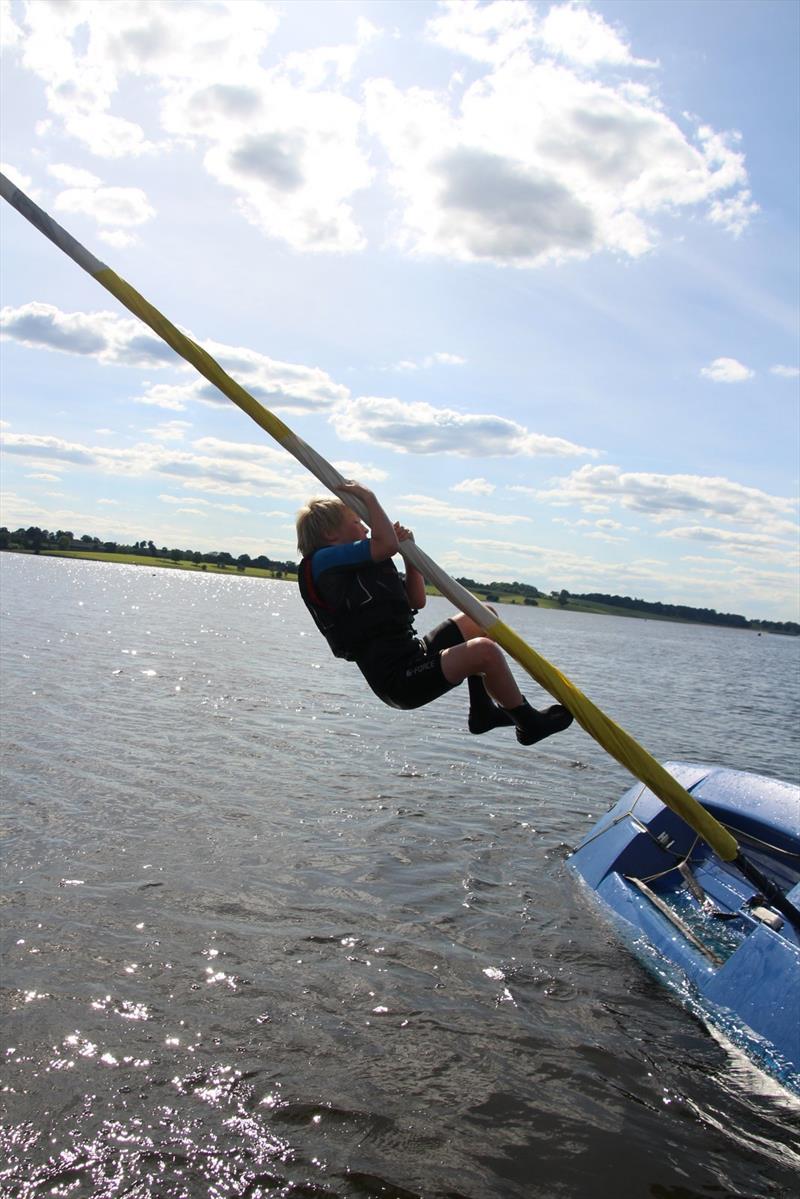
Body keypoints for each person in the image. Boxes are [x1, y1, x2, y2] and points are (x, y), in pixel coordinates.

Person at [295, 481, 573, 746]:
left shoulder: (360, 564)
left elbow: (416, 599)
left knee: (483, 617)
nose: (366, 530)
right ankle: (527, 723)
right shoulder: (322, 561)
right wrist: (369, 497)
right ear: (331, 535)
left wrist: (409, 557)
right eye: (358, 523)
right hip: (399, 679)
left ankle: (482, 710)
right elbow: (385, 543)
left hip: (413, 653)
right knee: (484, 652)